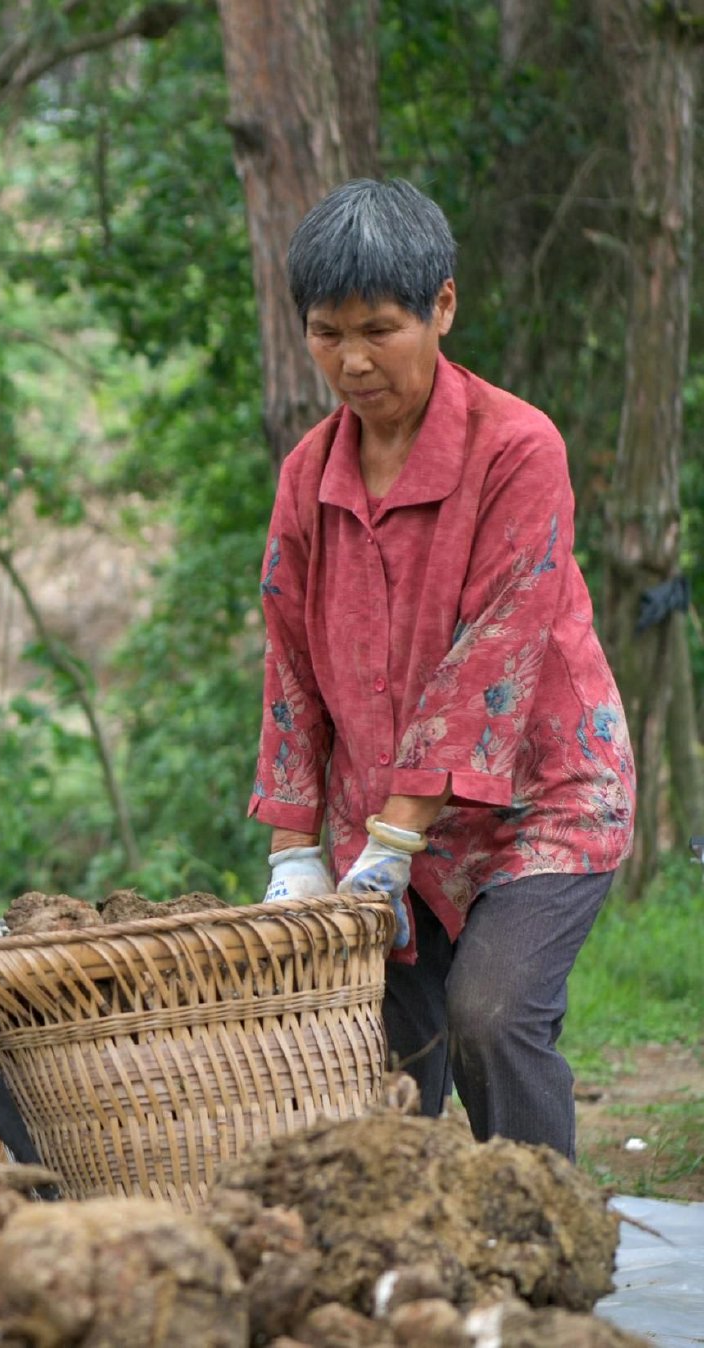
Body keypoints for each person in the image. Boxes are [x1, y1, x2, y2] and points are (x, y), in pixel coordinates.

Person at [251, 178, 635, 1159]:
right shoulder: (306, 473)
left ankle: (544, 1273)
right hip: (377, 819)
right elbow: (289, 659)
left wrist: (395, 837)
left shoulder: (515, 448)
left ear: (442, 308)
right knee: (370, 1050)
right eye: (325, 333)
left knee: (490, 1015)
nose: (351, 360)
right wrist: (294, 849)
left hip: (539, 800)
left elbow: (491, 664)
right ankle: (398, 1289)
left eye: (378, 329)